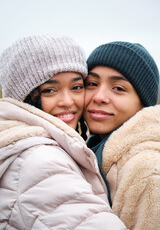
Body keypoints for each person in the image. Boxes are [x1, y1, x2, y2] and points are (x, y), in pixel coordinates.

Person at [0, 34, 127, 230]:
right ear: (23, 97)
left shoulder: (24, 143)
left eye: (76, 87)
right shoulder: (40, 160)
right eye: (50, 90)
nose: (67, 101)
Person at [83, 41, 160, 230]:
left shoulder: (147, 172)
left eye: (118, 88)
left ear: (143, 104)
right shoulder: (89, 152)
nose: (99, 96)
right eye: (92, 83)